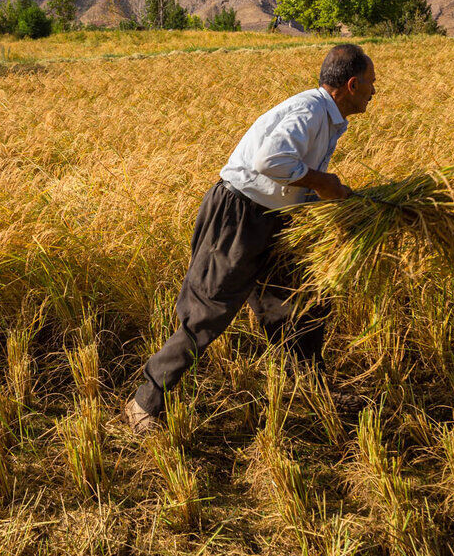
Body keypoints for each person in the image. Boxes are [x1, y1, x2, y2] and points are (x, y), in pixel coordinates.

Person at [123, 44, 377, 433]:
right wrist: (323, 182)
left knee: (301, 304)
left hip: (275, 219)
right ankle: (145, 403)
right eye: (371, 84)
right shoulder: (310, 111)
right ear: (352, 83)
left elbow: (290, 173)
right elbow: (270, 162)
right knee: (208, 312)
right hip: (239, 217)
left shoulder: (327, 117)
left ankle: (311, 391)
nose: (374, 92)